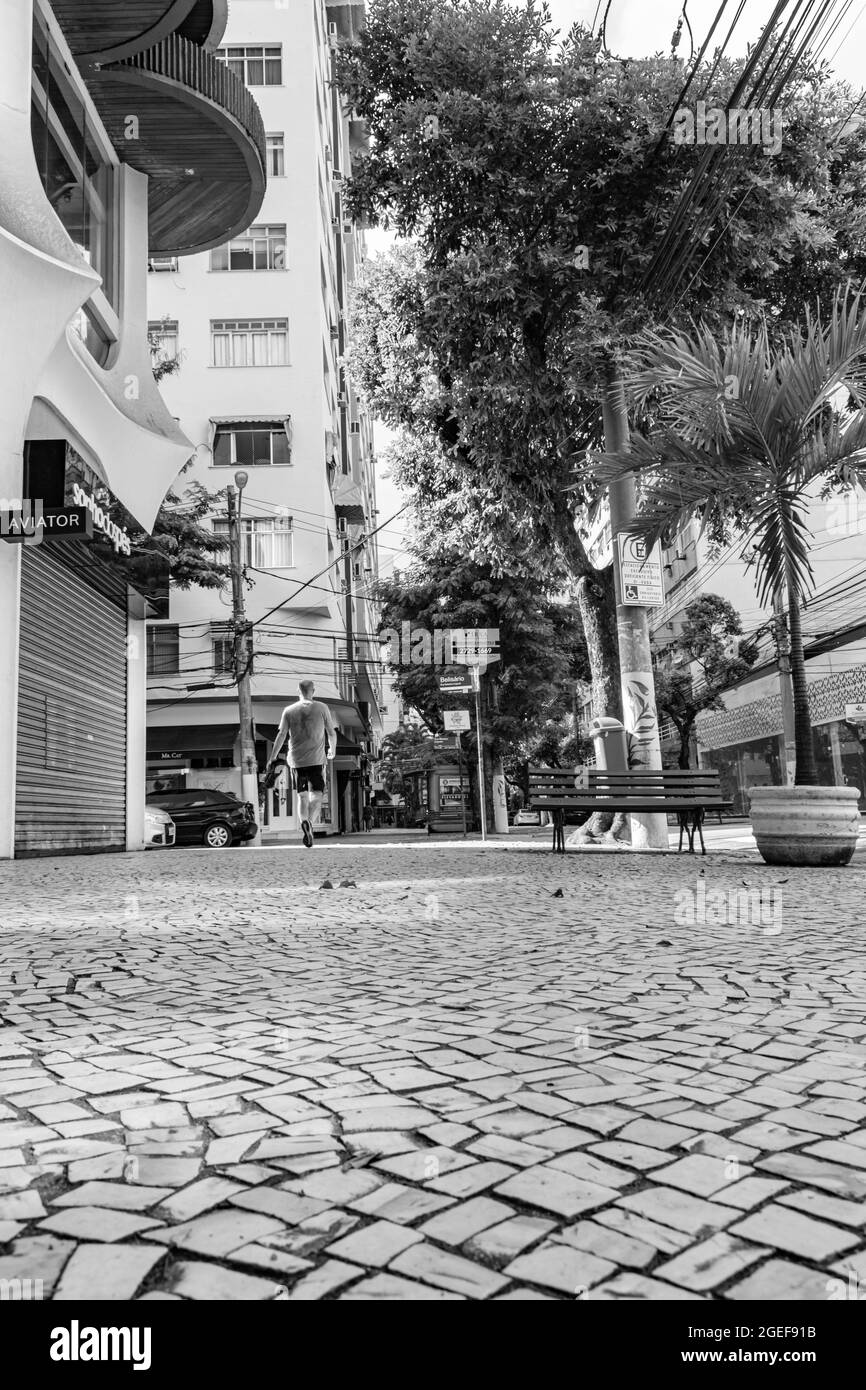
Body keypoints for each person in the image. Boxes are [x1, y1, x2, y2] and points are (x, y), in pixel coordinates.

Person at [267, 680, 337, 848]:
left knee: (302, 796)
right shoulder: (322, 707)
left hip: (296, 762)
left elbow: (281, 735)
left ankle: (303, 822)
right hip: (316, 761)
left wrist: (272, 757)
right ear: (313, 690)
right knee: (317, 796)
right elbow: (331, 733)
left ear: (298, 690)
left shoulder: (289, 710)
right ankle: (309, 823)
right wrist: (332, 750)